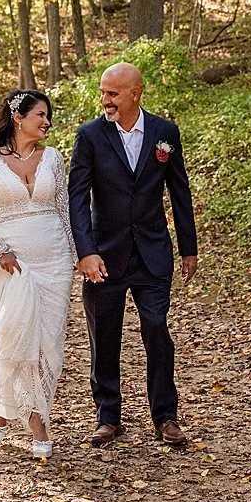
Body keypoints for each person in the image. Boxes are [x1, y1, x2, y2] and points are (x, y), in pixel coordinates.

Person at [68, 62, 199, 448]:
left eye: (112, 93)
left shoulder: (164, 133)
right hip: (104, 255)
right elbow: (77, 198)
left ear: (135, 94)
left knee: (156, 328)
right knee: (104, 334)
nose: (104, 100)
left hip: (152, 252)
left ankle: (165, 416)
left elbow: (179, 191)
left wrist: (188, 248)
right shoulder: (90, 136)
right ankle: (108, 416)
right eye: (102, 92)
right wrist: (86, 251)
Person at [0, 89, 76, 460]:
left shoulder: (53, 158)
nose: (47, 122)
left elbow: (65, 211)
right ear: (18, 117)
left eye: (48, 116)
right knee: (16, 335)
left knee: (49, 342)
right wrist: (1, 248)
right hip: (13, 263)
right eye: (41, 114)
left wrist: (78, 257)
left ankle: (31, 413)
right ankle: (22, 414)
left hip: (55, 260)